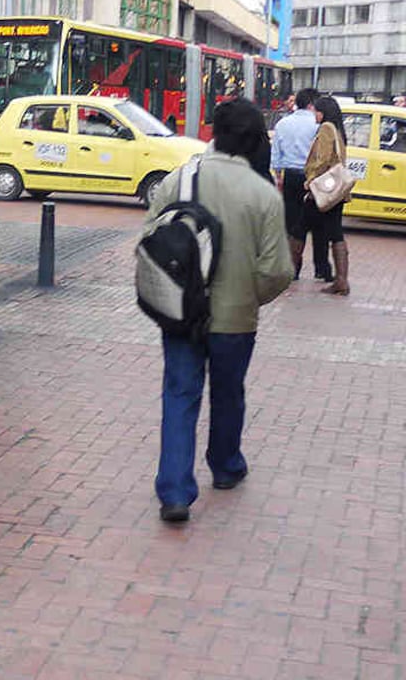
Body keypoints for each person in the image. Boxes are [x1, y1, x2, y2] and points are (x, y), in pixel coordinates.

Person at [146, 98, 293, 523]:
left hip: (181, 313)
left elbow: (151, 237)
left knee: (179, 395)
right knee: (228, 393)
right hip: (236, 318)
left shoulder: (179, 180)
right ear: (255, 143)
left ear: (215, 133)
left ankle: (175, 492)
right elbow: (277, 271)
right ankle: (226, 466)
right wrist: (249, 296)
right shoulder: (264, 196)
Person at [270, 88, 330, 281]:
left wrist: (278, 175)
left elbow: (276, 153)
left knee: (292, 223)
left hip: (290, 176)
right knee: (319, 223)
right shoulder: (317, 125)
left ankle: (293, 267)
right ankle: (321, 267)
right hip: (312, 178)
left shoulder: (283, 123)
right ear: (311, 104)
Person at [305, 95, 353, 296]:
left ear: (323, 112)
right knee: (335, 231)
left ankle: (340, 281)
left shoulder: (326, 128)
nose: (314, 115)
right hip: (337, 191)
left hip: (325, 188)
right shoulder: (338, 129)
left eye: (316, 111)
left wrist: (311, 179)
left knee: (300, 227)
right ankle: (341, 280)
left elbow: (322, 159)